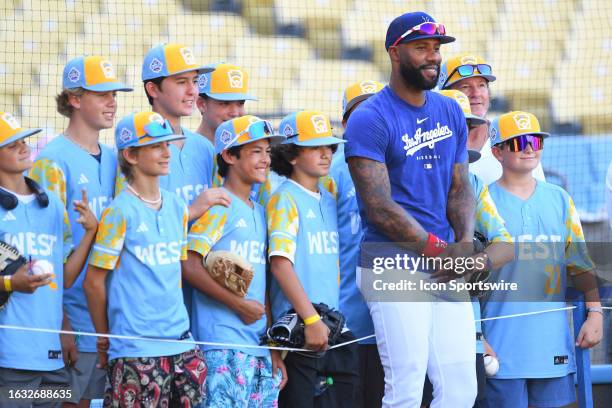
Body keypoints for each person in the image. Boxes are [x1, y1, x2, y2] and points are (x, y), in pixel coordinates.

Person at [344, 11, 478, 407]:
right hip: (393, 262)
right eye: (421, 48)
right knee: (406, 384)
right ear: (395, 52)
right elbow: (379, 206)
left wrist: (466, 245)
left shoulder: (450, 110)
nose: (432, 57)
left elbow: (460, 188)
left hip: (446, 261)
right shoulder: (369, 117)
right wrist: (439, 249)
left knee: (460, 388)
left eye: (436, 49)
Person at [83, 111, 207, 407]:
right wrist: (104, 338)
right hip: (135, 349)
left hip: (182, 344)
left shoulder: (177, 207)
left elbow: (174, 277)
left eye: (168, 145)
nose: (167, 153)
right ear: (131, 155)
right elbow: (93, 282)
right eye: (156, 146)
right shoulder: (119, 211)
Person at [29, 55, 132, 407]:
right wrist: (61, 321)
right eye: (102, 94)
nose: (112, 102)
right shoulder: (51, 160)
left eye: (114, 94)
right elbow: (44, 248)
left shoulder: (116, 157)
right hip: (72, 317)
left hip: (106, 320)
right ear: (74, 99)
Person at [483, 110, 603, 408]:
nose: (529, 147)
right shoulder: (481, 200)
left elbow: (580, 261)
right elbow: (465, 281)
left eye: (535, 140)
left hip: (552, 347)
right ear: (497, 151)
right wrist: (476, 339)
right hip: (499, 349)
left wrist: (595, 312)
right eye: (519, 141)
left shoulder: (560, 198)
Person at [183, 115, 286, 406]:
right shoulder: (219, 206)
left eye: (267, 151)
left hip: (257, 347)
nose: (265, 159)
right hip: (220, 345)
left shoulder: (261, 210)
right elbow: (188, 264)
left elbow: (261, 281)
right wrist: (238, 304)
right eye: (256, 151)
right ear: (229, 155)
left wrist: (271, 346)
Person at [0, 112, 97, 408]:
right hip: (10, 360)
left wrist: (91, 232)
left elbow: (64, 278)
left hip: (52, 360)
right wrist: (10, 282)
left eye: (24, 140)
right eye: (11, 144)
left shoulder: (52, 205)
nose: (23, 147)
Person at [267, 110, 359, 407]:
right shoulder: (285, 199)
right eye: (315, 147)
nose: (326, 153)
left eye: (329, 146)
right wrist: (310, 318)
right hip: (300, 331)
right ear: (292, 155)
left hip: (333, 327)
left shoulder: (329, 200)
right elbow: (280, 263)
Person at [133, 43, 230, 220]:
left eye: (194, 81)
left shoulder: (205, 147)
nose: (192, 91)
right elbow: (136, 224)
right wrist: (192, 210)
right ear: (153, 89)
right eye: (181, 82)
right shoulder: (137, 150)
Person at [335, 80, 386, 408]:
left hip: (392, 318)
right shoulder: (330, 168)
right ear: (344, 123)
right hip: (345, 322)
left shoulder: (398, 161)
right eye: (359, 112)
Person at [437, 54, 545, 185]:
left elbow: (538, 195)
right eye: (465, 87)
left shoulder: (514, 137)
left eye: (482, 85)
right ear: (445, 95)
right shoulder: (430, 142)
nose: (476, 94)